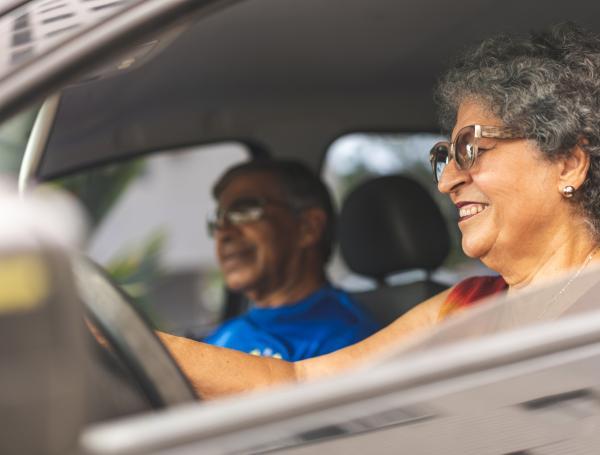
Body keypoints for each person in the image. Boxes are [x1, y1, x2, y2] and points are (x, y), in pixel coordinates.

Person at [159, 22, 600, 399]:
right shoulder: (465, 305)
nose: (446, 182)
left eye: (471, 148)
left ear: (568, 162)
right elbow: (302, 381)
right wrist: (124, 343)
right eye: (445, 157)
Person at [200, 160, 380, 360]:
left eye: (244, 211)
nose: (223, 233)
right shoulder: (228, 332)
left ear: (308, 227)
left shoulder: (346, 341)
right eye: (217, 220)